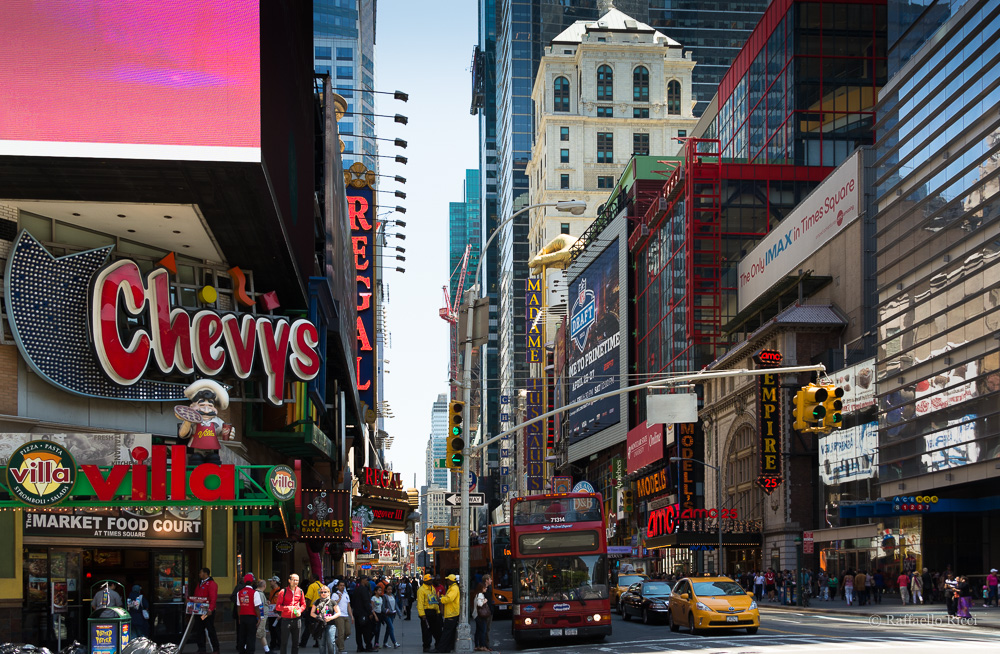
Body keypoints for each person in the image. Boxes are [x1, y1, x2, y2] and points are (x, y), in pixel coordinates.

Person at [177, 379, 234, 465]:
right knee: (196, 460)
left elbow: (223, 431)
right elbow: (182, 434)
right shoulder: (192, 420)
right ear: (192, 406)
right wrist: (187, 421)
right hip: (196, 451)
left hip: (211, 451)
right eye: (202, 405)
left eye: (210, 406)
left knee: (214, 460)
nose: (206, 410)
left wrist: (229, 433)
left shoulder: (216, 420)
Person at [275, 573, 307, 654]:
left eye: (297, 580)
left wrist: (300, 610)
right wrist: (288, 608)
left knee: (296, 643)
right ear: (289, 581)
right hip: (286, 620)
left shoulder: (300, 591)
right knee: (284, 642)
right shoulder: (283, 591)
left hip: (297, 620)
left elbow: (303, 604)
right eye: (294, 580)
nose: (296, 582)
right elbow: (278, 606)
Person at [192, 567, 220, 654]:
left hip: (207, 611)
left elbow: (213, 597)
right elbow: (196, 595)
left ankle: (216, 649)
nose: (199, 574)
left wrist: (210, 609)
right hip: (199, 610)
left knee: (210, 628)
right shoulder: (200, 583)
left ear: (205, 573)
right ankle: (201, 648)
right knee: (199, 629)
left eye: (201, 573)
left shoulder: (211, 584)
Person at [311, 584, 342, 654]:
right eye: (321, 592)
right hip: (320, 625)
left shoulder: (332, 602)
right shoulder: (317, 602)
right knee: (321, 644)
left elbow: (338, 612)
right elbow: (312, 613)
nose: (323, 593)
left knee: (331, 642)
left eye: (325, 592)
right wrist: (317, 617)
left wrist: (331, 617)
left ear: (329, 593)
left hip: (330, 624)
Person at [237, 573, 263, 654]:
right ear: (252, 582)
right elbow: (256, 607)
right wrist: (259, 618)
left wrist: (239, 618)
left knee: (242, 636)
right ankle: (250, 652)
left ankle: (241, 651)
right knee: (251, 636)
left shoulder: (239, 592)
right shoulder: (255, 593)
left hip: (242, 616)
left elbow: (239, 606)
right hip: (251, 617)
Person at [417, 574, 442, 653]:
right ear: (426, 581)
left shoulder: (432, 588)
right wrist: (422, 615)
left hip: (433, 612)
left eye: (432, 580)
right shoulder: (421, 590)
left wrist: (437, 611)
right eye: (430, 580)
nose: (432, 581)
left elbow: (434, 601)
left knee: (436, 630)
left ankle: (438, 645)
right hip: (426, 612)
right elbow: (420, 603)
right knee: (426, 631)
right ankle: (426, 646)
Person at [436, 574, 460, 653]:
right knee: (449, 632)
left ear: (451, 581)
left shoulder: (454, 589)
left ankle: (441, 649)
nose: (446, 581)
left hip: (451, 613)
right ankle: (447, 648)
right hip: (451, 613)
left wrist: (441, 599)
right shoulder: (452, 588)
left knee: (446, 632)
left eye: (448, 580)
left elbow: (449, 599)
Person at [351, 574, 375, 652]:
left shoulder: (356, 589)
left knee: (358, 631)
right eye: (366, 580)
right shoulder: (364, 589)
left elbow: (353, 601)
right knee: (367, 630)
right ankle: (368, 646)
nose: (367, 581)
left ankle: (360, 647)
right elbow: (366, 602)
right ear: (362, 580)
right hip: (363, 613)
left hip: (357, 613)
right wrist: (370, 612)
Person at [301, 575, 324, 648]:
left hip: (313, 608)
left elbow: (309, 598)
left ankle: (303, 642)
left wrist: (307, 608)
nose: (309, 579)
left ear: (314, 579)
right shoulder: (323, 586)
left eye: (311, 578)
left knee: (308, 625)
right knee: (318, 625)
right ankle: (318, 642)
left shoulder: (312, 586)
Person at [331, 579, 354, 654]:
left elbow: (348, 606)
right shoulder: (335, 594)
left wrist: (351, 616)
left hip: (346, 615)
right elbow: (333, 604)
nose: (342, 587)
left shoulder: (346, 594)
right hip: (338, 615)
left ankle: (338, 642)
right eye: (340, 585)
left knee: (348, 632)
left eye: (343, 585)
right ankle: (341, 649)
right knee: (341, 632)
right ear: (337, 586)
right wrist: (339, 598)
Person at [255, 580, 272, 654]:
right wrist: (261, 617)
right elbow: (260, 606)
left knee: (262, 633)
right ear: (264, 586)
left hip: (261, 616)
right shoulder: (260, 594)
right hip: (262, 616)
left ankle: (267, 650)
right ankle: (245, 647)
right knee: (258, 632)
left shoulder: (256, 593)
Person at [382, 584, 400, 649]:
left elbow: (395, 605)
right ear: (386, 590)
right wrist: (386, 611)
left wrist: (398, 612)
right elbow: (383, 607)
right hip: (387, 615)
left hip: (393, 614)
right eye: (388, 589)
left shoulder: (392, 595)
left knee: (388, 629)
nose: (390, 591)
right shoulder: (384, 596)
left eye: (391, 589)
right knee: (391, 628)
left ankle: (385, 642)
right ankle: (394, 642)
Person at [268, 576, 284, 649]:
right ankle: (273, 643)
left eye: (271, 581)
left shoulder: (281, 591)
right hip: (271, 613)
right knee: (272, 628)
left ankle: (279, 644)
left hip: (277, 613)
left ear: (275, 581)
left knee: (277, 629)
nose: (270, 583)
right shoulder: (272, 591)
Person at [473, 582, 489, 652]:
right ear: (482, 588)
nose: (486, 588)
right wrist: (485, 601)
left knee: (478, 631)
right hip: (480, 615)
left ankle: (477, 645)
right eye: (485, 587)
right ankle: (482, 646)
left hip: (476, 615)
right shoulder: (480, 595)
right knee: (483, 631)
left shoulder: (477, 594)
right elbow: (480, 604)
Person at [481, 574, 494, 652]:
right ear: (486, 580)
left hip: (489, 611)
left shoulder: (489, 588)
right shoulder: (483, 589)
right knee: (485, 629)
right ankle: (485, 645)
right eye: (490, 579)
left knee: (487, 629)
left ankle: (485, 645)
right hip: (486, 612)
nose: (491, 580)